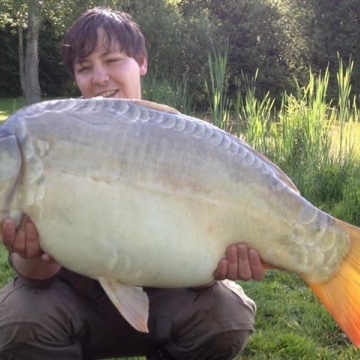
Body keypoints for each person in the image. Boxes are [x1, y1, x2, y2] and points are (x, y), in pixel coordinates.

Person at [0, 7, 265, 360]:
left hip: (164, 298)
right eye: (84, 68)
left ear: (141, 61)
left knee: (226, 316)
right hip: (76, 305)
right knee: (20, 320)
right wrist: (30, 253)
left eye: (111, 60)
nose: (99, 78)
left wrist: (216, 267)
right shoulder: (48, 138)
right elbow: (35, 277)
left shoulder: (181, 141)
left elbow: (198, 271)